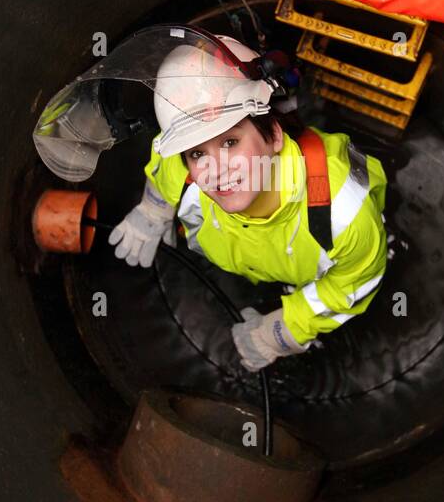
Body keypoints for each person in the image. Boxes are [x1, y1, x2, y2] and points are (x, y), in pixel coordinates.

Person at [107, 34, 389, 372]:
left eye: (230, 141)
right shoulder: (181, 169)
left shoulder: (344, 215)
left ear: (273, 135)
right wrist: (153, 210)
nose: (215, 170)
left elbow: (357, 278)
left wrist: (286, 329)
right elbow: (164, 167)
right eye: (197, 152)